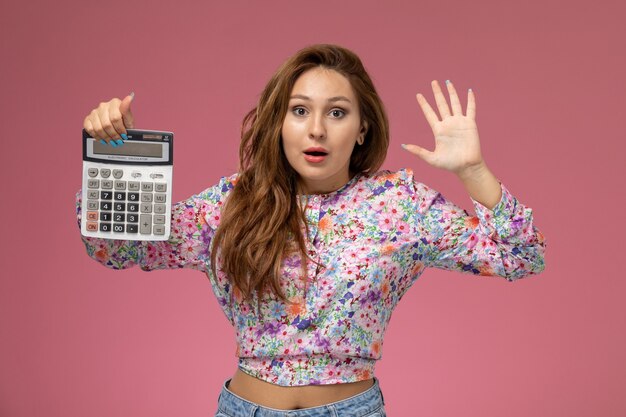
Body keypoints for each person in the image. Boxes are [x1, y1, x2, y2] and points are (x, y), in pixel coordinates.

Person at [77, 44, 546, 416]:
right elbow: (115, 247)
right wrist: (114, 153)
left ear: (362, 128)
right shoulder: (233, 202)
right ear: (279, 123)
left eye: (337, 112)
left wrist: (473, 170)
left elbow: (520, 256)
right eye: (300, 111)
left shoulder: (399, 205)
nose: (316, 129)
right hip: (243, 410)